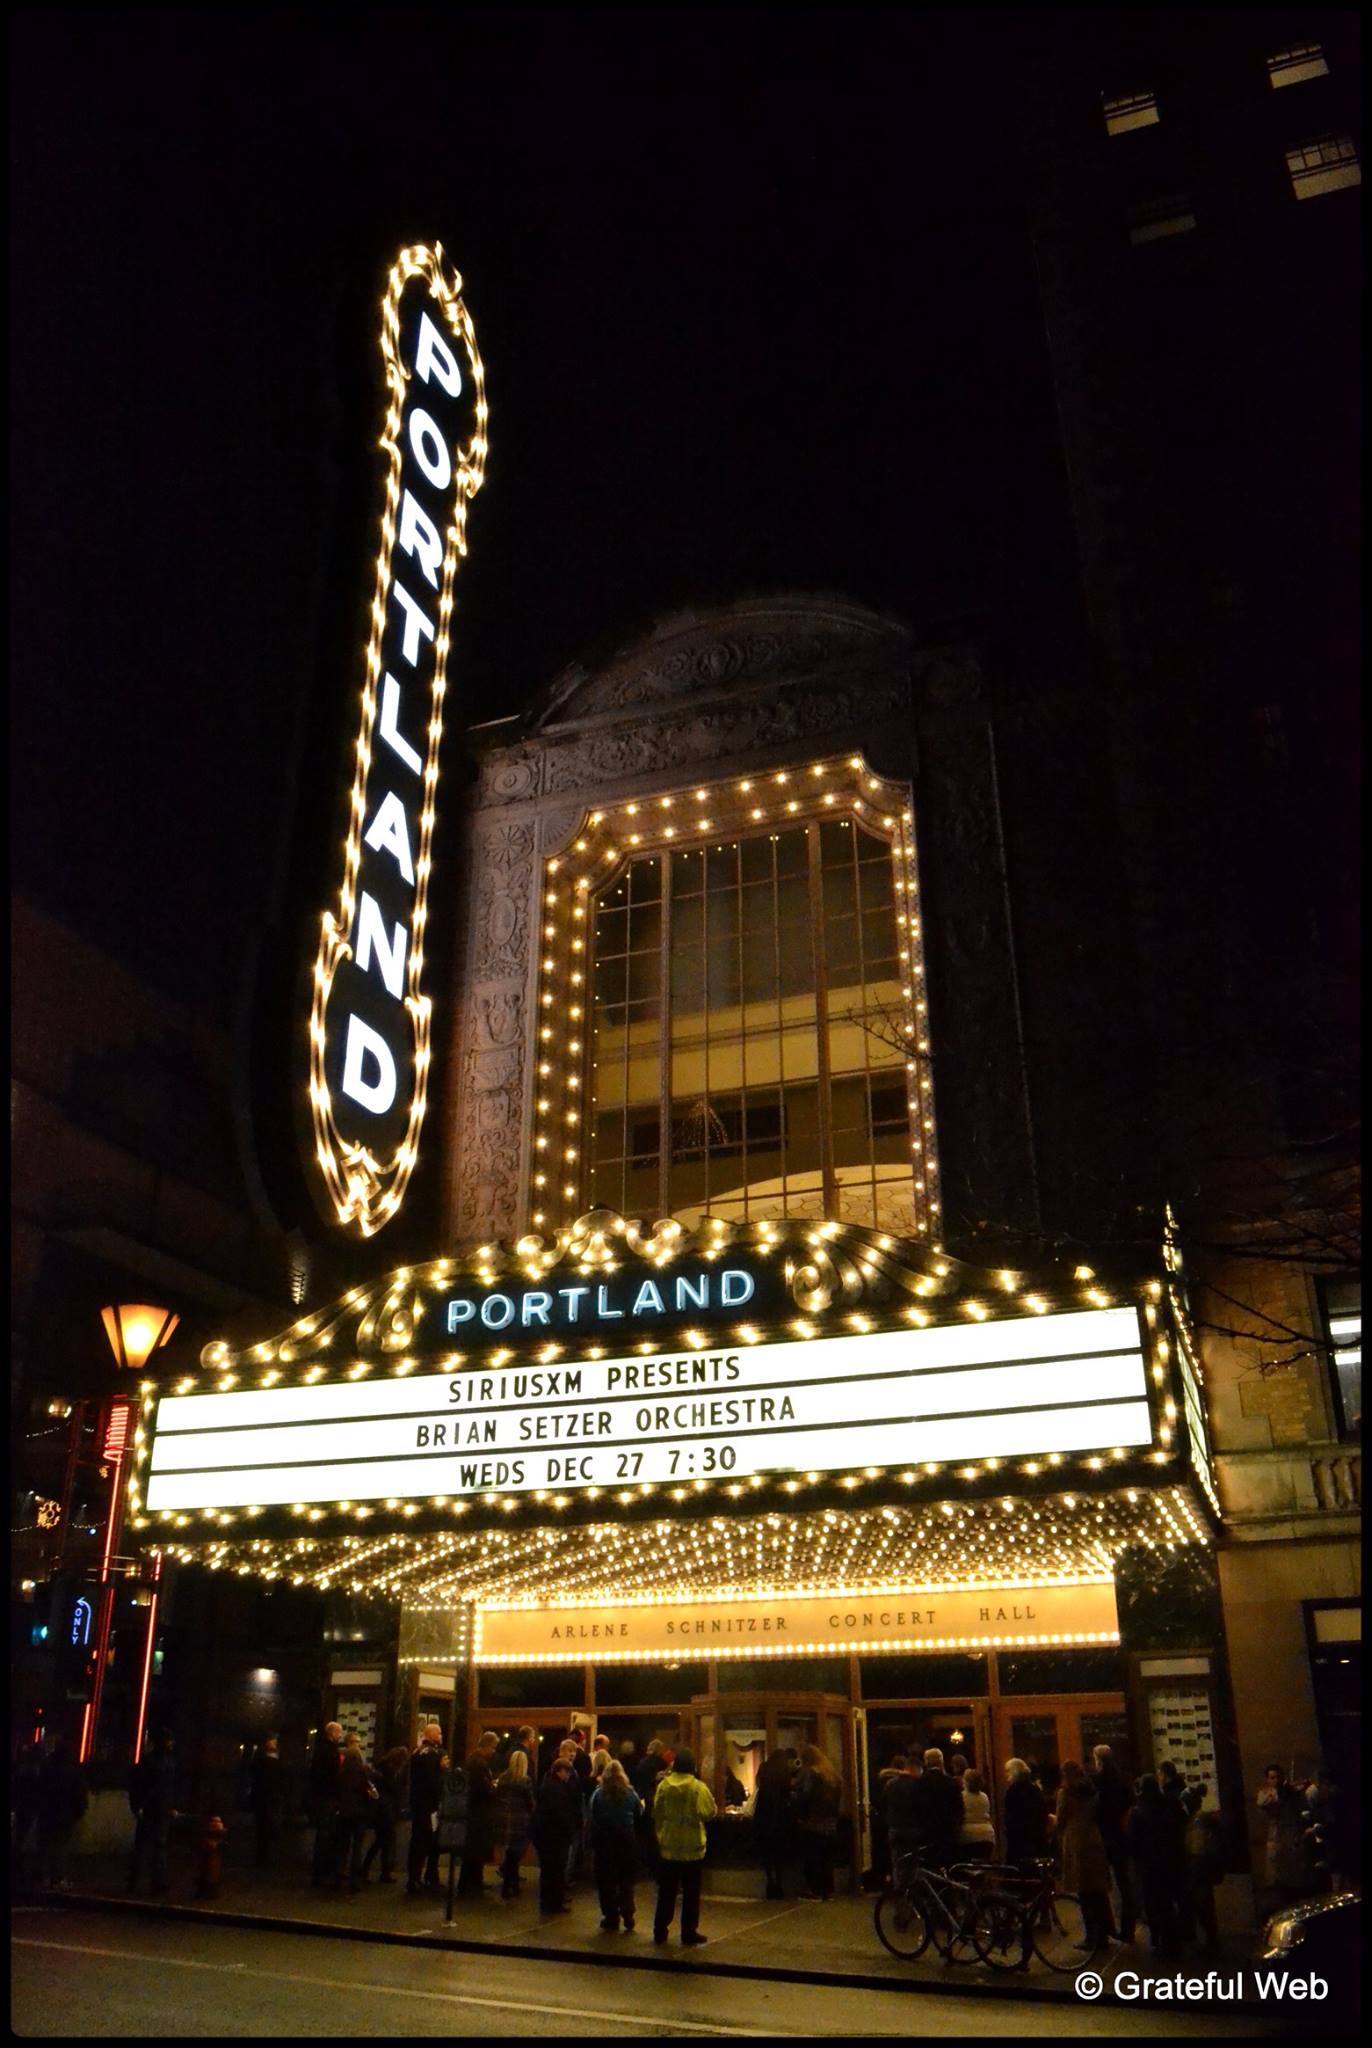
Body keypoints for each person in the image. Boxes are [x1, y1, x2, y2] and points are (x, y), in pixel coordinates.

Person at [652, 1747, 716, 1947]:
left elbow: (657, 1812)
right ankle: (688, 1932)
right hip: (692, 1849)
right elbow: (709, 1812)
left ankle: (660, 1930)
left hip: (669, 1847)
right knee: (691, 1894)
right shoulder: (698, 1788)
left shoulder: (663, 1786)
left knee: (666, 1892)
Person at [1055, 1759, 1114, 1951]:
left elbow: (1061, 1819)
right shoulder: (1091, 1791)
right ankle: (1104, 1932)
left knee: (1084, 1891)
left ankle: (1091, 1936)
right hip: (1093, 1838)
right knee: (1098, 1890)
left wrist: (1054, 1828)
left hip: (1075, 1841)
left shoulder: (1066, 1793)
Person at [1127, 1774, 1186, 1957]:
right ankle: (1174, 1940)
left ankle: (1160, 1940)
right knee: (1168, 1903)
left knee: (1154, 1903)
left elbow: (1132, 1842)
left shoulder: (1138, 1812)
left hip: (1149, 1863)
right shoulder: (1170, 1805)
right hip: (1171, 1859)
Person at [590, 1756, 643, 1931]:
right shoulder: (630, 1793)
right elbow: (639, 1812)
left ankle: (611, 1916)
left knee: (606, 1880)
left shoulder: (599, 1794)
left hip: (604, 1840)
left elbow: (593, 1814)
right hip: (626, 1839)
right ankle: (628, 1914)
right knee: (626, 1879)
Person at [1090, 1743, 1136, 1943]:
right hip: (1120, 1835)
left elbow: (1093, 1809)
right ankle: (1128, 1928)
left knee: (1099, 1884)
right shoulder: (1122, 1779)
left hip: (1102, 1836)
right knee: (1124, 1883)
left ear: (1098, 1760)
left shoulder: (1096, 1781)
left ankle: (1104, 1928)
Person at [532, 1754, 581, 1914]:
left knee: (548, 1870)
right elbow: (560, 1814)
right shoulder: (557, 1789)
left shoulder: (547, 1784)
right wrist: (569, 1829)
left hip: (545, 1835)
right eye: (567, 1772)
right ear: (560, 1771)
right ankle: (554, 1902)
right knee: (556, 1870)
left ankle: (548, 1901)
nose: (568, 1776)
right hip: (555, 1836)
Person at [128, 1729, 176, 1895]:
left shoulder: (149, 1761)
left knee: (143, 1845)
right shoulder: (167, 1763)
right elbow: (167, 1788)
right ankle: (157, 1882)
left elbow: (138, 1785)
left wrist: (137, 1805)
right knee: (158, 1846)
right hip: (159, 1808)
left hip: (151, 1807)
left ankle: (137, 1881)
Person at [1255, 1763, 1309, 1910]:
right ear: (1267, 1780)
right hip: (1275, 1838)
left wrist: (1293, 1791)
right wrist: (1280, 1793)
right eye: (1272, 1778)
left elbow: (1300, 1806)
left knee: (1293, 1877)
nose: (1276, 1780)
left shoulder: (1290, 1792)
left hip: (1290, 1837)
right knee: (1276, 1877)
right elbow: (1263, 1803)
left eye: (1278, 1777)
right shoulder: (1265, 1793)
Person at [792, 1743, 842, 1901]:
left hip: (813, 1821)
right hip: (831, 1822)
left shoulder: (810, 1773)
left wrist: (793, 1796)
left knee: (813, 1857)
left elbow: (805, 1796)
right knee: (827, 1858)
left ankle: (814, 1890)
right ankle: (828, 1890)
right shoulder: (831, 1774)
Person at [36, 1739, 87, 1891]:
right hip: (65, 1813)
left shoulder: (47, 1766)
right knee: (61, 1847)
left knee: (45, 1845)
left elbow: (39, 1788)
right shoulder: (73, 1769)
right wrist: (79, 1811)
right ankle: (57, 1878)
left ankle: (43, 1877)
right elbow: (79, 1792)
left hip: (47, 1811)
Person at [406, 1721, 445, 1895]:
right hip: (429, 1806)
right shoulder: (431, 1754)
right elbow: (433, 1781)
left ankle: (415, 1877)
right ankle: (425, 1876)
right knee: (428, 1841)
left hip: (419, 1804)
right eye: (439, 1733)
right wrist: (441, 1770)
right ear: (430, 1735)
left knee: (419, 1841)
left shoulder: (417, 1752)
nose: (441, 1736)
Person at [459, 1731, 500, 1895]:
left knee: (474, 1850)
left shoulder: (471, 1761)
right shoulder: (479, 1764)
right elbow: (483, 1789)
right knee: (476, 1849)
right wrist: (494, 1787)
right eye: (493, 1748)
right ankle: (471, 1883)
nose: (494, 1751)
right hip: (479, 1813)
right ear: (487, 1746)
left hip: (473, 1811)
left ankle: (473, 1881)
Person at [910, 1747, 964, 1870]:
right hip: (947, 1831)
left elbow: (914, 1807)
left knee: (930, 1868)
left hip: (926, 1832)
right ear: (941, 1761)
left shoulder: (919, 1783)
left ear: (926, 1762)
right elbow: (959, 1807)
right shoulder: (950, 1782)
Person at [338, 1731, 379, 1891]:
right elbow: (367, 1789)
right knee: (357, 1845)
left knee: (343, 1844)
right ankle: (354, 1879)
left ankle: (339, 1874)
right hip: (359, 1811)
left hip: (344, 1810)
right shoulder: (362, 1772)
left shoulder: (342, 1772)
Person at [754, 1750, 797, 1899]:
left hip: (764, 1817)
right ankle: (779, 1884)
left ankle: (770, 1883)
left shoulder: (764, 1768)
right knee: (779, 1854)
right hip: (780, 1818)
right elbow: (788, 1793)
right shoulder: (784, 1771)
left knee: (766, 1853)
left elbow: (759, 1785)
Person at [363, 1744, 409, 1884]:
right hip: (387, 1810)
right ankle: (380, 1870)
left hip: (382, 1809)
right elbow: (393, 1788)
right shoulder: (391, 1771)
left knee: (381, 1841)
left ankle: (373, 1869)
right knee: (384, 1841)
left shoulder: (382, 1767)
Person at [307, 1721, 344, 1888]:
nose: (340, 1735)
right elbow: (330, 1774)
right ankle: (321, 1870)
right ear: (332, 1732)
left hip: (323, 1796)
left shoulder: (322, 1749)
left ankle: (321, 1869)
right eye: (339, 1732)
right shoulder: (328, 1751)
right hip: (327, 1797)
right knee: (325, 1833)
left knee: (325, 1833)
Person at [496, 1748, 536, 1898]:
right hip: (520, 1820)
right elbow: (530, 1802)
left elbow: (498, 1795)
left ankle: (509, 1885)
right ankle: (511, 1885)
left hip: (505, 1818)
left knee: (509, 1852)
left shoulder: (503, 1778)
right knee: (516, 1852)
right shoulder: (525, 1781)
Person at [883, 1754, 926, 1882]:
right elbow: (921, 1806)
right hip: (913, 1828)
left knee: (897, 1862)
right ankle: (912, 1888)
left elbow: (883, 1804)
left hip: (895, 1827)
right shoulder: (917, 1784)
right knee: (913, 1862)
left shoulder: (890, 1784)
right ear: (915, 1768)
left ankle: (899, 1887)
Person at [1003, 1756, 1050, 1869]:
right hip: (1036, 1836)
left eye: (1008, 1771)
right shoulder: (1035, 1790)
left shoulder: (1012, 1791)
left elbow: (1010, 1814)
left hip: (1019, 1838)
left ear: (1014, 1772)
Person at [634, 1739, 669, 1878]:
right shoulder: (660, 1763)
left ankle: (645, 1864)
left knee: (645, 1835)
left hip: (643, 1801)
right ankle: (657, 1864)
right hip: (655, 1800)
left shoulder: (642, 1763)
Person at [870, 1753, 905, 1889]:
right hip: (895, 1821)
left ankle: (881, 1880)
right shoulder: (900, 1783)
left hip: (880, 1821)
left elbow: (878, 1801)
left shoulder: (880, 1779)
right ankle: (895, 1882)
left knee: (881, 1852)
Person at [249, 1735, 283, 1870]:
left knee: (265, 1827)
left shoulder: (266, 1759)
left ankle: (264, 1856)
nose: (275, 1743)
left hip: (268, 1797)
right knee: (264, 1827)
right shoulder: (265, 1760)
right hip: (266, 1797)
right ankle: (263, 1857)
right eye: (272, 1741)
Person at [12, 1743, 43, 1886]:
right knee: (31, 1842)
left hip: (23, 1808)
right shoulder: (37, 1772)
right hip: (31, 1809)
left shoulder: (22, 1770)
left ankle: (19, 1871)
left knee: (20, 1840)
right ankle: (28, 1873)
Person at [958, 1769, 995, 1861]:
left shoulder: (961, 1797)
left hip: (968, 1835)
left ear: (966, 1782)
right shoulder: (984, 1796)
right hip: (987, 1834)